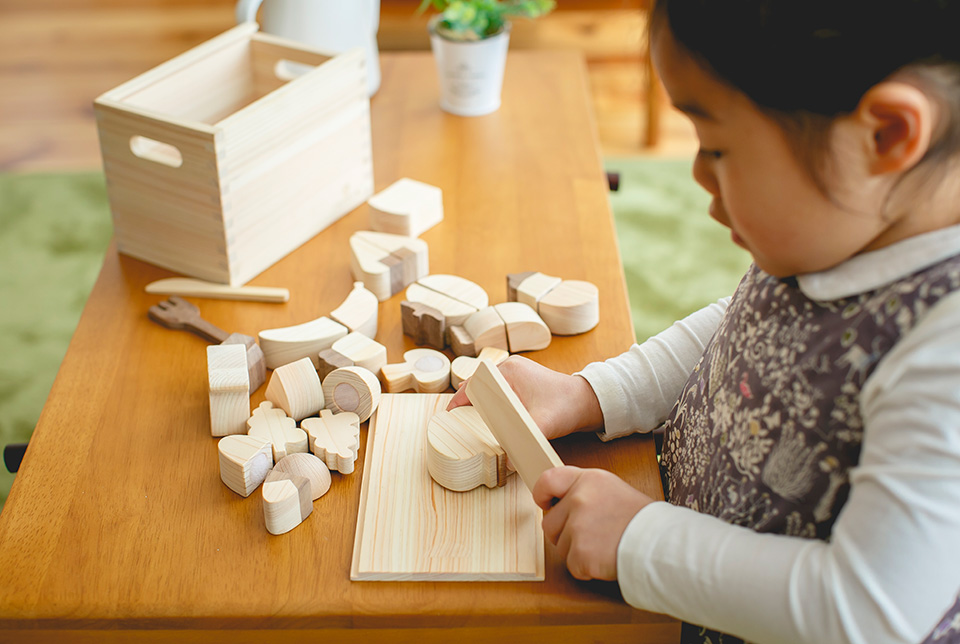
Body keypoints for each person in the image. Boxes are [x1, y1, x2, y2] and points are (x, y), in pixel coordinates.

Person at [448, 1, 960, 642]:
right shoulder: (840, 235)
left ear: (884, 135)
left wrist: (641, 541)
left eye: (717, 146)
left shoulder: (946, 354)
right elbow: (741, 328)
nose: (696, 174)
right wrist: (589, 394)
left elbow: (865, 612)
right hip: (682, 585)